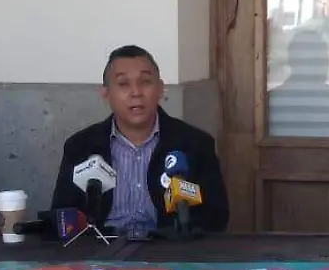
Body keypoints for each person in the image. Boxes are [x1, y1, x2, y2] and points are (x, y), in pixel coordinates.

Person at [50, 45, 229, 236]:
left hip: (167, 247)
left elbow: (216, 218)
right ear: (106, 94)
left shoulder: (195, 143)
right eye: (123, 84)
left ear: (160, 89)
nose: (136, 92)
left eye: (145, 82)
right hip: (102, 247)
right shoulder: (80, 146)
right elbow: (63, 217)